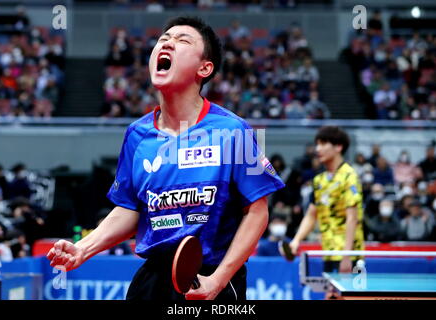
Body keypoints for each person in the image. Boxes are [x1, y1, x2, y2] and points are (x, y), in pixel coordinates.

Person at [47, 16, 285, 301]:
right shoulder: (137, 134)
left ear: (204, 68)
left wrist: (218, 281)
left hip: (209, 278)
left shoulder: (233, 131)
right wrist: (83, 248)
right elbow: (130, 209)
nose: (168, 43)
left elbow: (257, 212)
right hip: (152, 278)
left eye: (182, 40)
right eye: (163, 39)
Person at [289, 126, 365, 274]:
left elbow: (352, 218)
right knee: (330, 297)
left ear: (338, 147)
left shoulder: (349, 177)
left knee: (351, 297)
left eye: (323, 144)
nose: (318, 149)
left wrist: (347, 256)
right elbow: (311, 215)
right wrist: (296, 240)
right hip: (328, 253)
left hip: (349, 256)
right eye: (317, 144)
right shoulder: (319, 181)